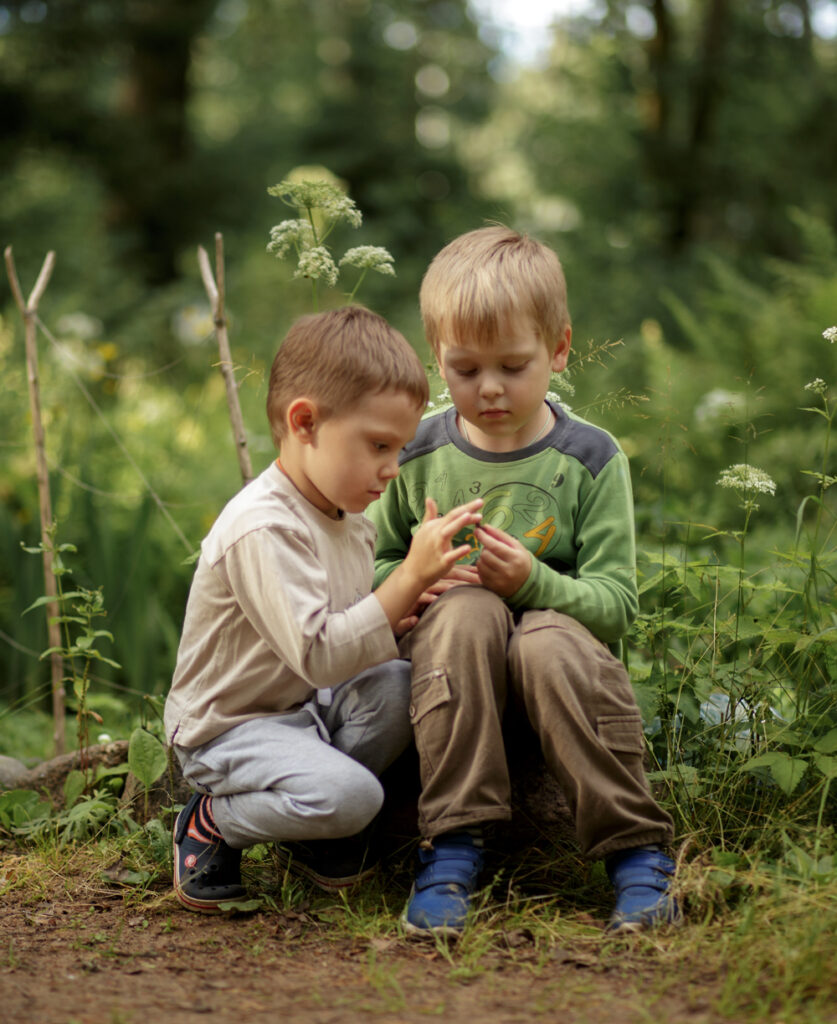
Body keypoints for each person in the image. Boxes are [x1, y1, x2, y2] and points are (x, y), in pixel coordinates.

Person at [368, 227, 679, 936]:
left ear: (559, 349)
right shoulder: (415, 453)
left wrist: (533, 581)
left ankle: (635, 854)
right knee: (466, 610)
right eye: (464, 369)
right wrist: (415, 575)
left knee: (542, 640)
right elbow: (376, 565)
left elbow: (615, 607)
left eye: (513, 366)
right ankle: (449, 846)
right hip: (453, 668)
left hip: (557, 669)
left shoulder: (589, 458)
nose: (489, 389)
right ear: (436, 358)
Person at [165, 305, 483, 913]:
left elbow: (350, 640)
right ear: (305, 422)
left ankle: (306, 828)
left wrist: (406, 606)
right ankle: (214, 822)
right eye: (378, 446)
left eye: (401, 448)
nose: (392, 469)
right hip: (227, 727)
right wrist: (405, 578)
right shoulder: (264, 527)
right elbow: (319, 654)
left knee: (399, 684)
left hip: (299, 709)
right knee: (356, 799)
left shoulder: (348, 522)